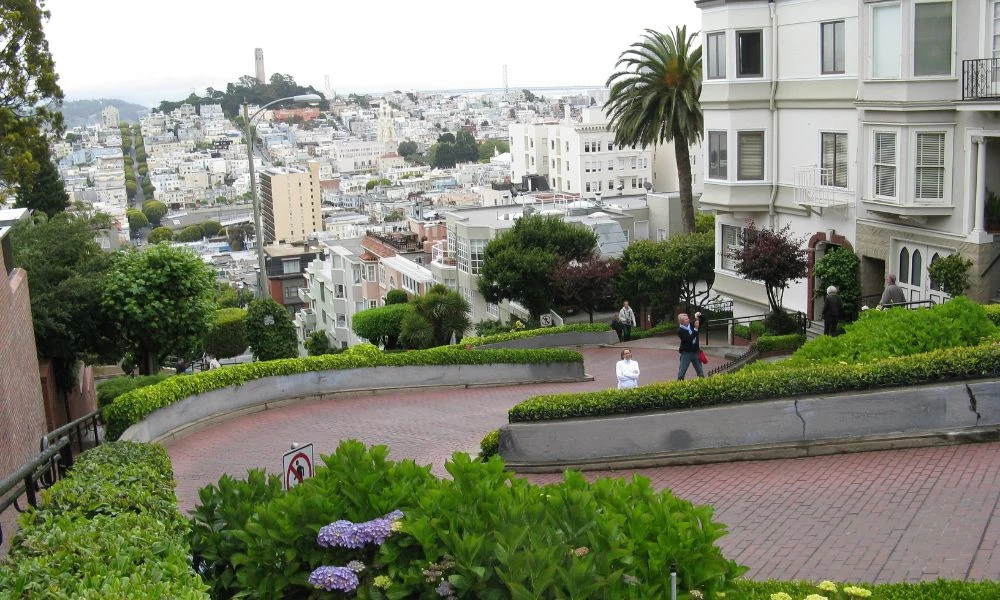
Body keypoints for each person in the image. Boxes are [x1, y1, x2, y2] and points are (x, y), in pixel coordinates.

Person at [676, 312, 705, 380]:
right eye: (686, 319)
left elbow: (703, 319)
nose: (688, 320)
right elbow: (689, 338)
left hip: (696, 352)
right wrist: (696, 329)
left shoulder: (691, 324)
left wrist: (699, 315)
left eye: (688, 318)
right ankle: (679, 384)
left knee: (700, 373)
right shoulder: (680, 331)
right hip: (686, 354)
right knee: (681, 374)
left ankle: (702, 384)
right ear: (682, 322)